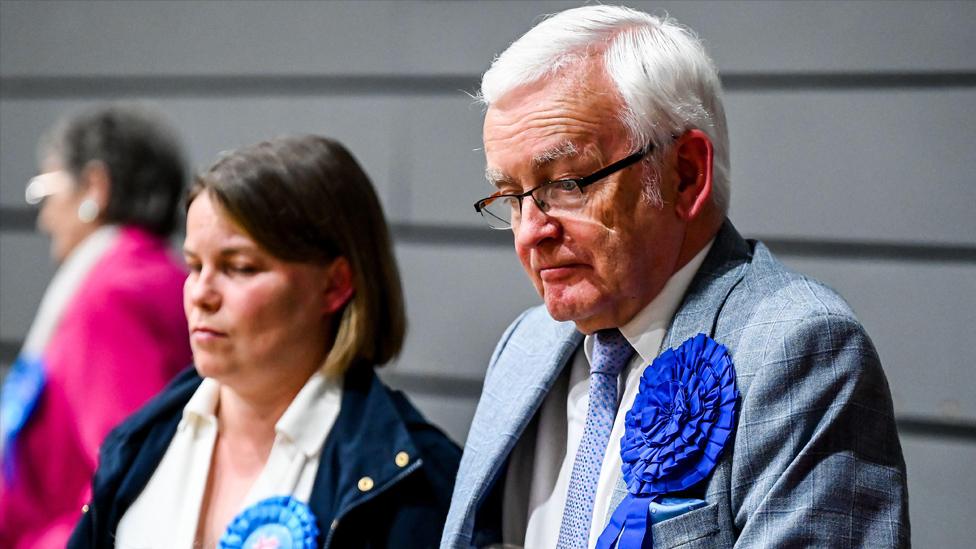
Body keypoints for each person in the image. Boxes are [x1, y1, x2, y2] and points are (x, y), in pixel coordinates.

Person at [442, 5, 909, 548]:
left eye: (567, 183)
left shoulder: (799, 350)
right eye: (511, 198)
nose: (529, 232)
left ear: (686, 174)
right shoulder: (524, 345)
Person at [68, 135, 461, 549]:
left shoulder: (415, 480)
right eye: (194, 265)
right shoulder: (139, 440)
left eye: (239, 267)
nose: (201, 292)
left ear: (334, 285)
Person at [0, 104, 193, 549]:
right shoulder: (155, 273)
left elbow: (127, 475)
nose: (44, 216)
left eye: (48, 189)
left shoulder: (111, 294)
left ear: (94, 187)